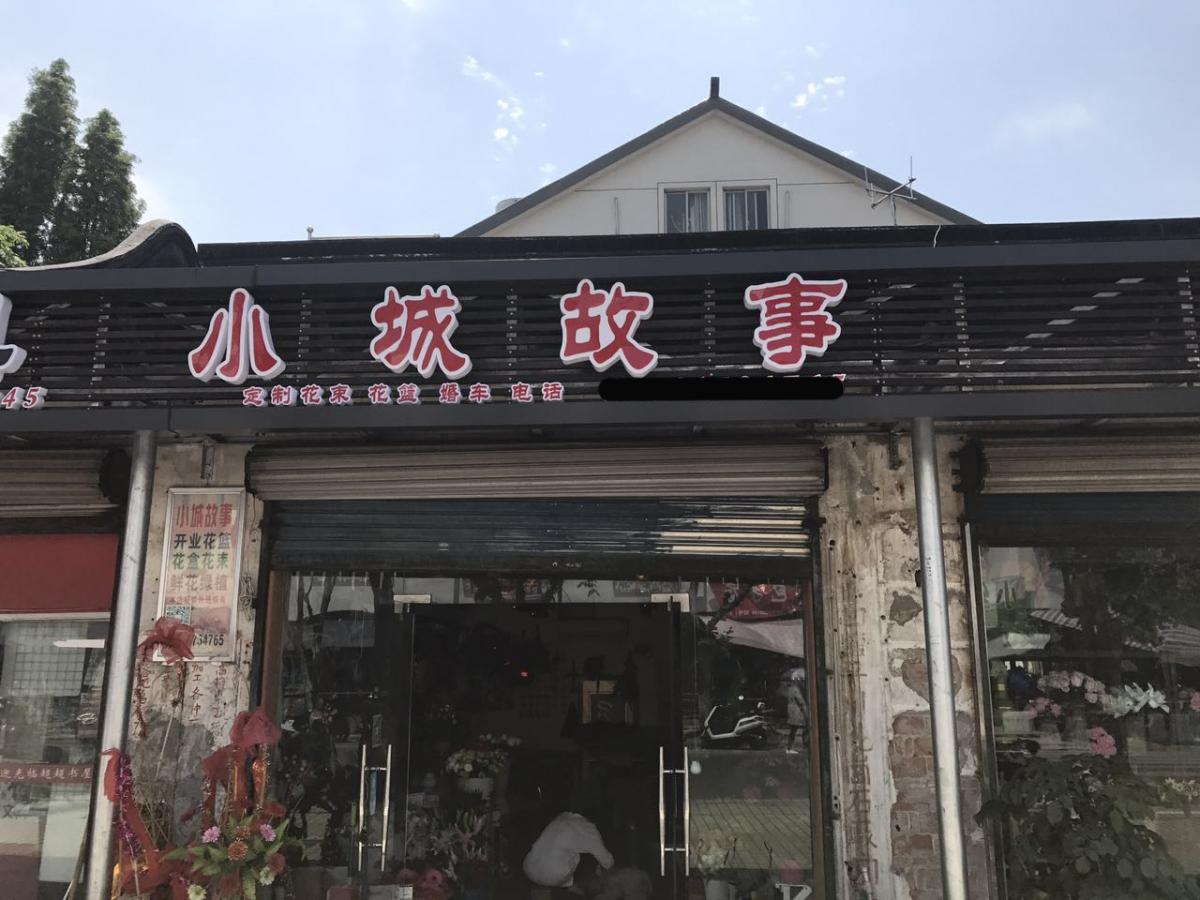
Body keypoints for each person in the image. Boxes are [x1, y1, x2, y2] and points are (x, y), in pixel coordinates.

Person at [523, 810, 614, 893]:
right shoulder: (589, 829)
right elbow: (606, 860)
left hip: (529, 867)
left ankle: (557, 886)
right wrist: (611, 870)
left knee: (555, 851)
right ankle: (579, 888)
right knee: (585, 855)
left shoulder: (562, 817)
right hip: (554, 875)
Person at [785, 671, 808, 754]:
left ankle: (789, 747)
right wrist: (806, 712)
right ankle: (803, 745)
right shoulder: (795, 689)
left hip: (791, 711)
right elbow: (800, 701)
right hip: (796, 712)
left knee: (793, 730)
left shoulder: (789, 689)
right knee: (804, 728)